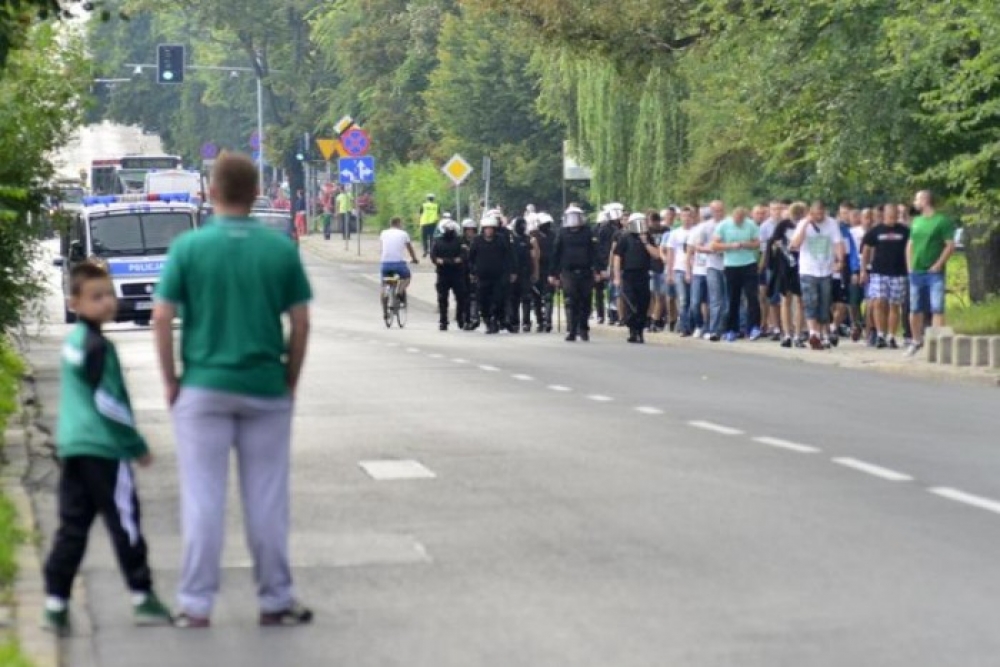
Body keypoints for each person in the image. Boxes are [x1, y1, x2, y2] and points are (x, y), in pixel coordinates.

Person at [152, 152, 313, 628]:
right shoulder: (279, 250)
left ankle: (196, 605)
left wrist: (171, 381)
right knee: (266, 498)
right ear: (256, 193)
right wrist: (289, 380)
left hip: (202, 387)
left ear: (212, 192)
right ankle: (275, 599)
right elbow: (301, 322)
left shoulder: (189, 249)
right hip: (265, 387)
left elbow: (162, 317)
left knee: (203, 498)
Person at [43, 263, 172, 634]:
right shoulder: (99, 347)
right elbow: (110, 403)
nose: (107, 303)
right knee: (125, 523)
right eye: (96, 296)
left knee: (72, 527)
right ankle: (142, 596)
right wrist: (135, 444)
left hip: (73, 448)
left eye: (109, 294)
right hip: (104, 450)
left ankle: (55, 603)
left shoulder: (73, 344)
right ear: (75, 303)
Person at [905, 190, 956, 357]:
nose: (914, 202)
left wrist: (939, 264)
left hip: (934, 272)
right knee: (915, 308)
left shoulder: (941, 221)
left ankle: (936, 344)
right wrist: (909, 266)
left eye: (917, 199)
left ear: (925, 200)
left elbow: (950, 245)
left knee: (937, 307)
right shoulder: (916, 221)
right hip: (916, 270)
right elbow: (910, 244)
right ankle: (916, 340)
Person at [791, 201, 845, 350]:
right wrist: (806, 224)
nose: (819, 217)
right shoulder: (803, 223)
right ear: (810, 212)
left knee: (825, 302)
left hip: (826, 269)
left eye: (821, 214)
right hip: (808, 269)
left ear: (825, 212)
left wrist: (840, 260)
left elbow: (837, 243)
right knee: (810, 301)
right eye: (815, 214)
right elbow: (794, 244)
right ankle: (813, 333)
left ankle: (824, 334)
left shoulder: (832, 223)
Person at [861, 203, 910, 349]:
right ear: (884, 215)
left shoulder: (904, 231)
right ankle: (880, 334)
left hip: (898, 272)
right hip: (879, 272)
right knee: (878, 303)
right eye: (890, 216)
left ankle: (891, 336)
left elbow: (910, 248)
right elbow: (866, 250)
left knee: (894, 305)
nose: (893, 219)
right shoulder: (876, 231)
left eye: (895, 216)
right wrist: (863, 269)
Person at [712, 206, 762, 341]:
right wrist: (730, 246)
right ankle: (732, 329)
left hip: (748, 263)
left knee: (752, 296)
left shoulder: (750, 224)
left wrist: (746, 244)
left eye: (741, 219)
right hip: (731, 265)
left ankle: (754, 327)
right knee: (733, 298)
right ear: (732, 216)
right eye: (737, 219)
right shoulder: (724, 225)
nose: (739, 221)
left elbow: (757, 243)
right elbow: (714, 245)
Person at [550, 205, 599, 342]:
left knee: (585, 301)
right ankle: (571, 330)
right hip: (568, 272)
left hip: (585, 271)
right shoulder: (562, 233)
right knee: (571, 300)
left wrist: (598, 270)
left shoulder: (588, 232)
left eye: (576, 217)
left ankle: (583, 328)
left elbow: (594, 252)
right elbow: (556, 253)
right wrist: (553, 273)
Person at [614, 213, 661, 343]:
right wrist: (617, 277)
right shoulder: (624, 238)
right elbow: (617, 258)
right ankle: (632, 330)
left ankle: (640, 331)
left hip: (643, 275)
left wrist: (645, 242)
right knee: (631, 303)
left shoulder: (648, 237)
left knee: (643, 303)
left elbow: (656, 255)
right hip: (629, 275)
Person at [767, 202, 806, 348]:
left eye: (800, 212)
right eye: (795, 212)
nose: (797, 214)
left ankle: (798, 333)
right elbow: (775, 242)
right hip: (784, 265)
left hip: (801, 265)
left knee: (800, 301)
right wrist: (786, 251)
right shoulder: (783, 225)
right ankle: (787, 334)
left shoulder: (805, 225)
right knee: (785, 299)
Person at [469, 213, 515, 334]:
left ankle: (496, 319)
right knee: (483, 300)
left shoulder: (501, 240)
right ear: (483, 229)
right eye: (486, 228)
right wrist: (472, 272)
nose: (488, 231)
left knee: (498, 299)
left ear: (494, 229)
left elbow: (509, 256)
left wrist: (512, 272)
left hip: (498, 277)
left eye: (491, 228)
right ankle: (488, 320)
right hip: (482, 277)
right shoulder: (477, 241)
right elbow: (471, 258)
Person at [690, 201, 727, 341]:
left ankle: (728, 328)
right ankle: (714, 329)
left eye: (721, 210)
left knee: (728, 300)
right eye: (716, 210)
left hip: (728, 265)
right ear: (711, 211)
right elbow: (697, 246)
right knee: (715, 299)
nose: (719, 212)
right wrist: (711, 249)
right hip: (712, 265)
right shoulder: (705, 227)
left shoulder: (729, 224)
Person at [431, 219, 467, 331]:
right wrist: (448, 261)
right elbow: (433, 256)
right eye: (447, 229)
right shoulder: (437, 241)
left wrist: (447, 260)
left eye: (451, 229)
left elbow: (463, 255)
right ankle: (443, 321)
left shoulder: (460, 241)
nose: (449, 231)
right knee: (442, 299)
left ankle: (460, 318)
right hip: (443, 274)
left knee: (461, 297)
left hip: (457, 274)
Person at [664, 206, 695, 337]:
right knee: (682, 299)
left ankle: (693, 325)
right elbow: (670, 254)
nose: (687, 219)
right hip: (679, 269)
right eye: (684, 216)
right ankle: (684, 327)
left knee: (694, 300)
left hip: (696, 269)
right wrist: (670, 272)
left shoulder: (696, 232)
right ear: (680, 217)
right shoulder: (675, 233)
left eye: (689, 216)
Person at [379, 217, 420, 303]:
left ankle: (385, 310)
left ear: (391, 224)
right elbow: (410, 249)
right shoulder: (404, 234)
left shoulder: (383, 233)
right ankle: (400, 291)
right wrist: (414, 259)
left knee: (384, 284)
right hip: (398, 264)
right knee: (407, 278)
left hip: (385, 264)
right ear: (398, 223)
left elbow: (383, 247)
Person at [507, 217, 538, 333]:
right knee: (514, 299)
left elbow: (533, 256)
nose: (522, 227)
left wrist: (535, 272)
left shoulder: (528, 240)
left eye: (523, 225)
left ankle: (526, 322)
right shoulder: (511, 240)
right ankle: (514, 322)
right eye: (520, 225)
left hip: (526, 273)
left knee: (526, 299)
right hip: (514, 273)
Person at [530, 213, 556, 333]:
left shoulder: (554, 236)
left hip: (550, 269)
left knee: (548, 296)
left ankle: (548, 321)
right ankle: (540, 320)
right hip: (538, 269)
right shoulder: (534, 236)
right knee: (536, 296)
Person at [460, 219, 481, 330]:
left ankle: (474, 317)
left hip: (476, 270)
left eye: (472, 230)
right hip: (463, 271)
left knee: (475, 295)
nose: (470, 232)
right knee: (465, 296)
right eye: (467, 230)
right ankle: (467, 318)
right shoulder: (460, 242)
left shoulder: (478, 241)